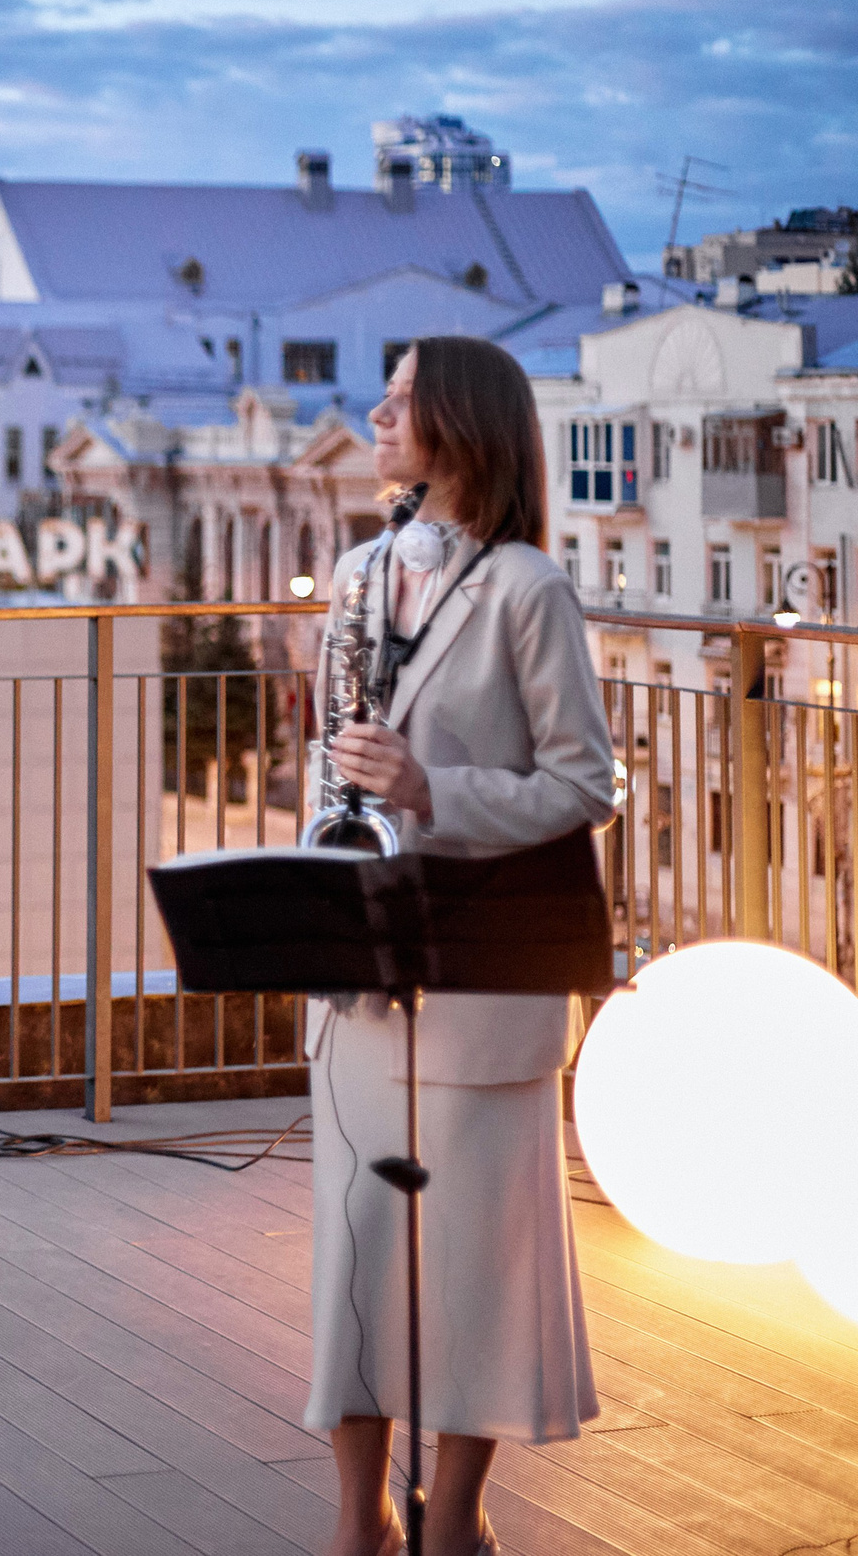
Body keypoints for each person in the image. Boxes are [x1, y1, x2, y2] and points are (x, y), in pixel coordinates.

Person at [306, 336, 616, 1556]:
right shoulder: (353, 574)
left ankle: (455, 1526)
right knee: (359, 1265)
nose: (375, 412)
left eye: (401, 396)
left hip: (484, 978)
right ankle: (356, 1527)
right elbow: (332, 756)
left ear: (460, 426)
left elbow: (582, 783)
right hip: (365, 978)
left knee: (475, 1279)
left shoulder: (529, 588)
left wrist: (434, 792)